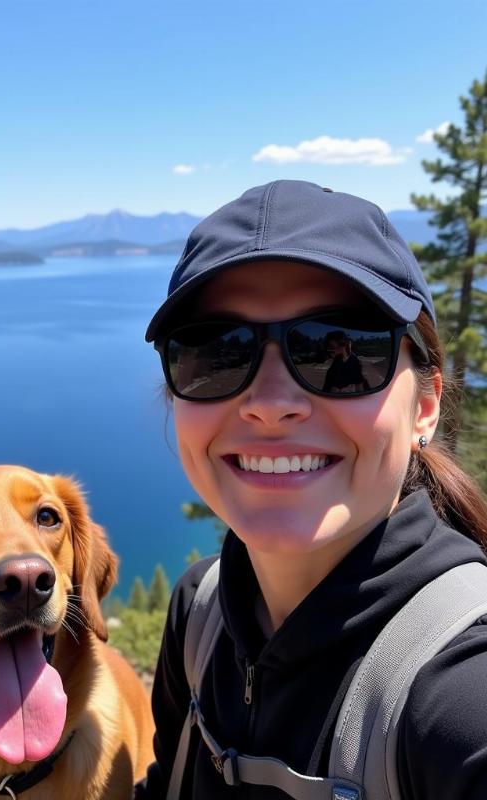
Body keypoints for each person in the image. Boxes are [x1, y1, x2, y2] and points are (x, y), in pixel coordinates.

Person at [134, 180, 487, 799]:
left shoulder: (459, 690)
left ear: (425, 407)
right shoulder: (199, 612)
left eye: (337, 350)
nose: (270, 405)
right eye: (216, 351)